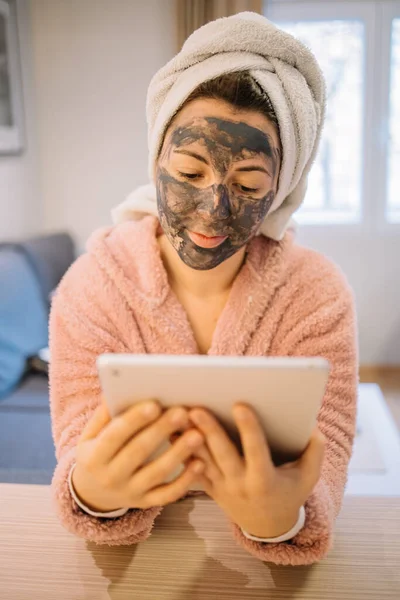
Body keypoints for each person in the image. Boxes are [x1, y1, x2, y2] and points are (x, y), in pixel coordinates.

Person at [49, 12, 357, 566]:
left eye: (248, 184)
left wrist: (284, 519)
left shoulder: (317, 292)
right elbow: (76, 440)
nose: (213, 210)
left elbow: (326, 454)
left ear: (281, 190)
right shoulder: (92, 285)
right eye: (190, 172)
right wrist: (91, 494)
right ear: (157, 158)